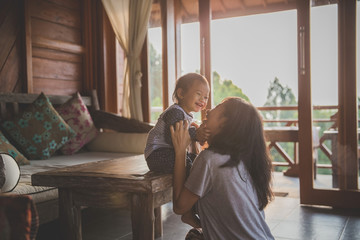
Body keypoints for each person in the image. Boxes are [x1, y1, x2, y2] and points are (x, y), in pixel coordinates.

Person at [170, 97, 275, 240]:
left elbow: (179, 207)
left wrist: (180, 151)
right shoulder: (244, 160)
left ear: (225, 123)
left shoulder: (209, 159)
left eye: (219, 106)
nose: (209, 109)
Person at [144, 72, 210, 227]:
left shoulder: (186, 115)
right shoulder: (175, 112)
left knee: (195, 162)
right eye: (198, 94)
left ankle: (194, 207)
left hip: (168, 152)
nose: (203, 100)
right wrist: (195, 134)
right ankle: (187, 212)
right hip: (158, 154)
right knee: (188, 166)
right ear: (181, 93)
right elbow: (174, 136)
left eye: (206, 97)